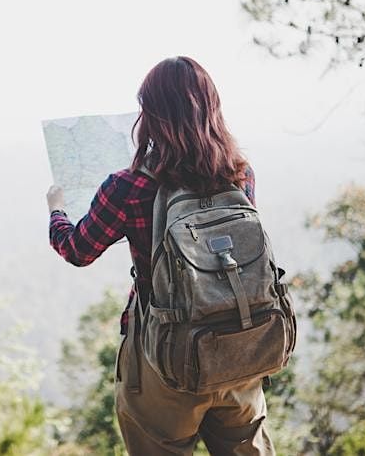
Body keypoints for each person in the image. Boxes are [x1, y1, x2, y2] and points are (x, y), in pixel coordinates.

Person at [46, 56, 274, 456]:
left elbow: (78, 250)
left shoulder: (128, 186)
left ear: (150, 117)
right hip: (240, 349)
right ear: (211, 109)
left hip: (165, 359)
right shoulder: (240, 173)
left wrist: (57, 212)